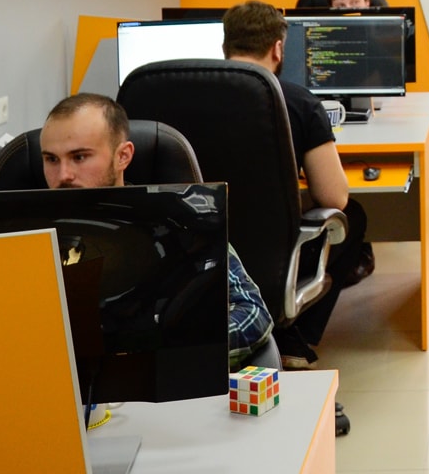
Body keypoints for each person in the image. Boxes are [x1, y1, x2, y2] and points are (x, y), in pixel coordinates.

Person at [38, 92, 273, 370]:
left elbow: (253, 314)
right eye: (51, 159)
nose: (63, 175)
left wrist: (165, 351)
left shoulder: (182, 226)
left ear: (123, 156)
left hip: (157, 379)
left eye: (79, 157)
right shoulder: (20, 232)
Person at [222, 0, 373, 367]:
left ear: (225, 46)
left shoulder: (175, 95)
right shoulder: (298, 102)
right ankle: (293, 337)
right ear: (277, 49)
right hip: (270, 252)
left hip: (201, 250)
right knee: (352, 217)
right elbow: (333, 196)